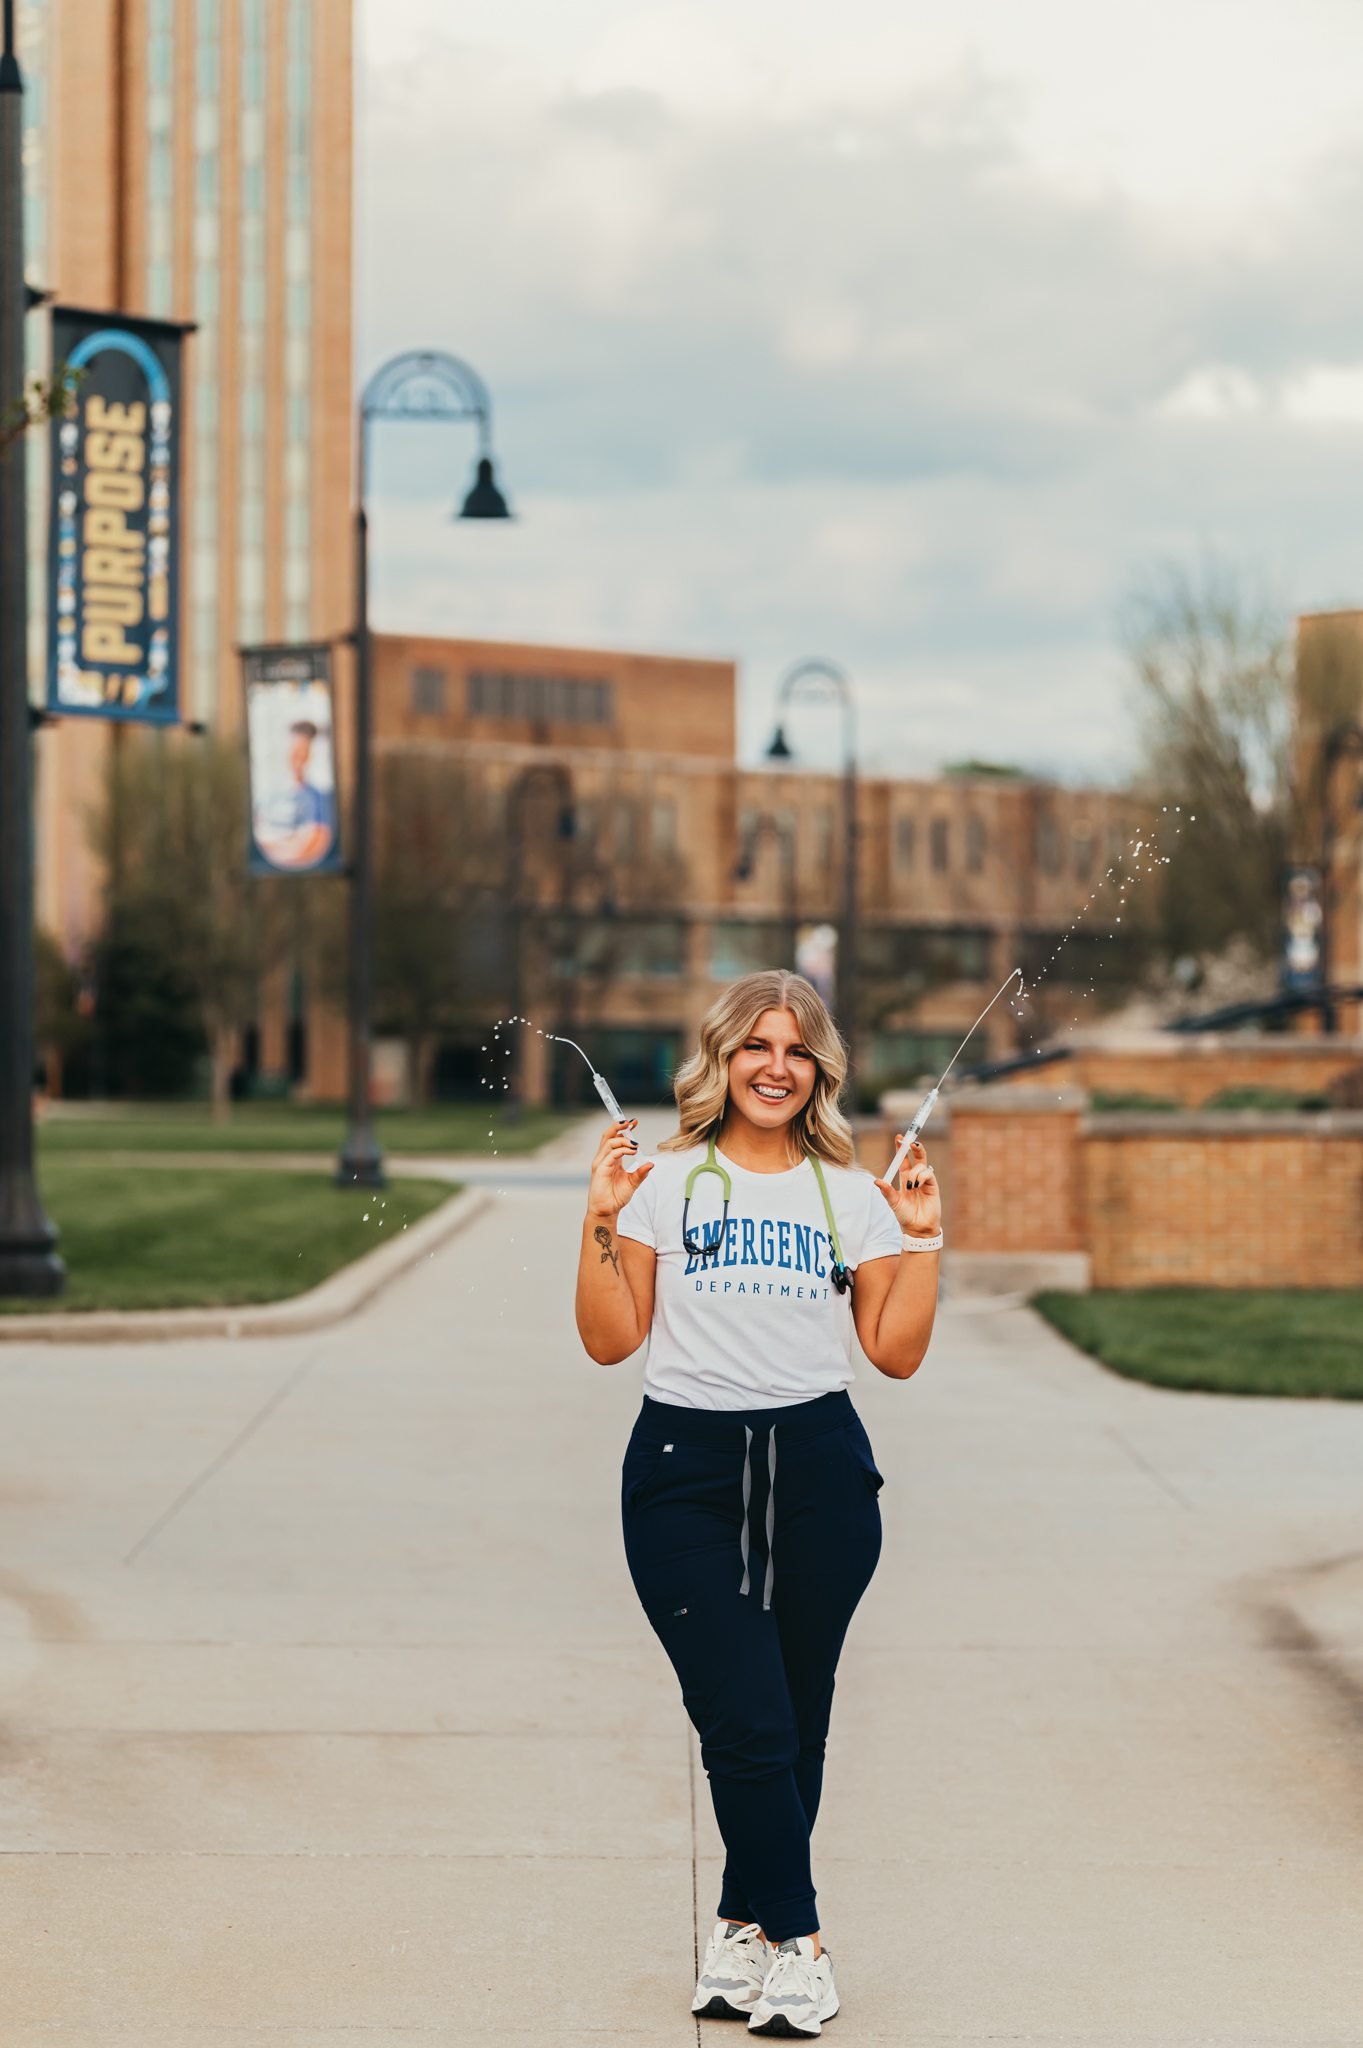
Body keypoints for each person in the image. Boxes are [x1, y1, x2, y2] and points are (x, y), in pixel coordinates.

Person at [576, 969, 941, 2038]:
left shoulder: (854, 1193)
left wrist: (919, 1238)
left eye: (795, 1048)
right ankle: (803, 1941)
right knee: (743, 1715)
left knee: (794, 1716)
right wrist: (600, 1221)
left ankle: (741, 1925)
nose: (775, 1065)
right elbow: (608, 1337)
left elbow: (897, 1352)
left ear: (819, 1067)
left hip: (819, 1466)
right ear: (721, 1060)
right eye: (754, 1046)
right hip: (685, 1468)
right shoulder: (661, 1181)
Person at [254, 717, 334, 870]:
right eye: (293, 752)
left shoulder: (320, 797)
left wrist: (283, 851)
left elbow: (318, 842)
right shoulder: (267, 796)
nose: (297, 760)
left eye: (303, 753)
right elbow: (260, 838)